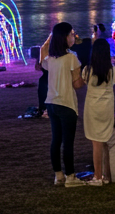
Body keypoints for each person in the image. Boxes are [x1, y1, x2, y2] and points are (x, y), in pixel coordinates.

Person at [42, 21, 87, 187]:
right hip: (66, 103)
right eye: (71, 34)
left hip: (51, 102)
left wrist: (50, 38)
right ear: (65, 37)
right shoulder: (71, 58)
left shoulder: (50, 59)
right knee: (68, 142)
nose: (74, 37)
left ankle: (58, 175)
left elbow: (43, 52)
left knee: (56, 140)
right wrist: (86, 77)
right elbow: (77, 84)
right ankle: (70, 177)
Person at [81, 38, 115, 186]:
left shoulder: (87, 71)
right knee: (105, 142)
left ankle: (97, 176)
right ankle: (107, 175)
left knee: (96, 143)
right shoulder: (114, 71)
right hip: (107, 108)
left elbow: (82, 82)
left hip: (92, 109)